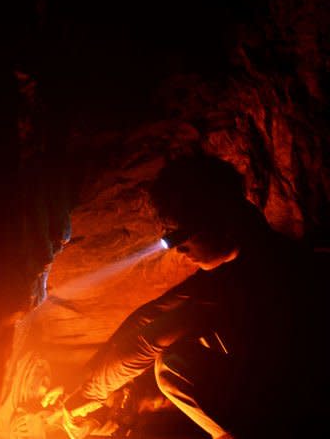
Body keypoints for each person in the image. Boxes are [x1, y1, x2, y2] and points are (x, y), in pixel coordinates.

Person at [56, 154, 328, 439]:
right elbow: (151, 314)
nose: (180, 249)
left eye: (184, 235)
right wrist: (87, 378)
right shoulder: (244, 256)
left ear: (222, 222)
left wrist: (92, 392)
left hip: (306, 404)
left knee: (174, 366)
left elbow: (153, 337)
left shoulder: (259, 276)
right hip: (280, 387)